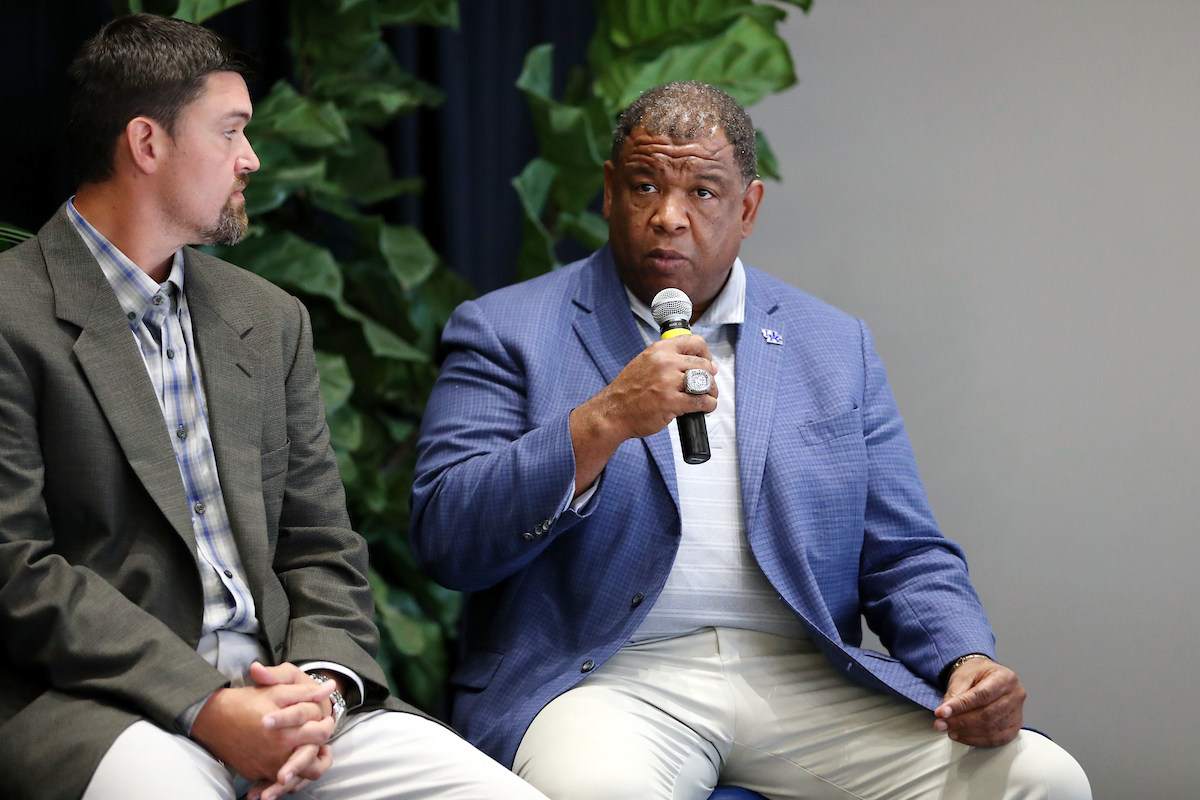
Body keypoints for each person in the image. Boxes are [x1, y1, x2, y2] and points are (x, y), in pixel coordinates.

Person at [409, 82, 1091, 800]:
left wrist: (964, 660)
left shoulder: (835, 346)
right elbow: (448, 537)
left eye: (703, 192)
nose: (669, 216)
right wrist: (601, 421)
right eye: (645, 185)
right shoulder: (505, 330)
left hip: (804, 678)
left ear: (748, 208)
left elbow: (904, 551)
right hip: (603, 678)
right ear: (609, 192)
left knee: (1043, 781)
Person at [0, 14, 549, 800]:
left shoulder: (267, 317)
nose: (251, 157)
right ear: (147, 143)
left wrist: (320, 691)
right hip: (102, 705)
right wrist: (208, 705)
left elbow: (320, 544)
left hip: (291, 697)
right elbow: (17, 571)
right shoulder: (12, 312)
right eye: (230, 131)